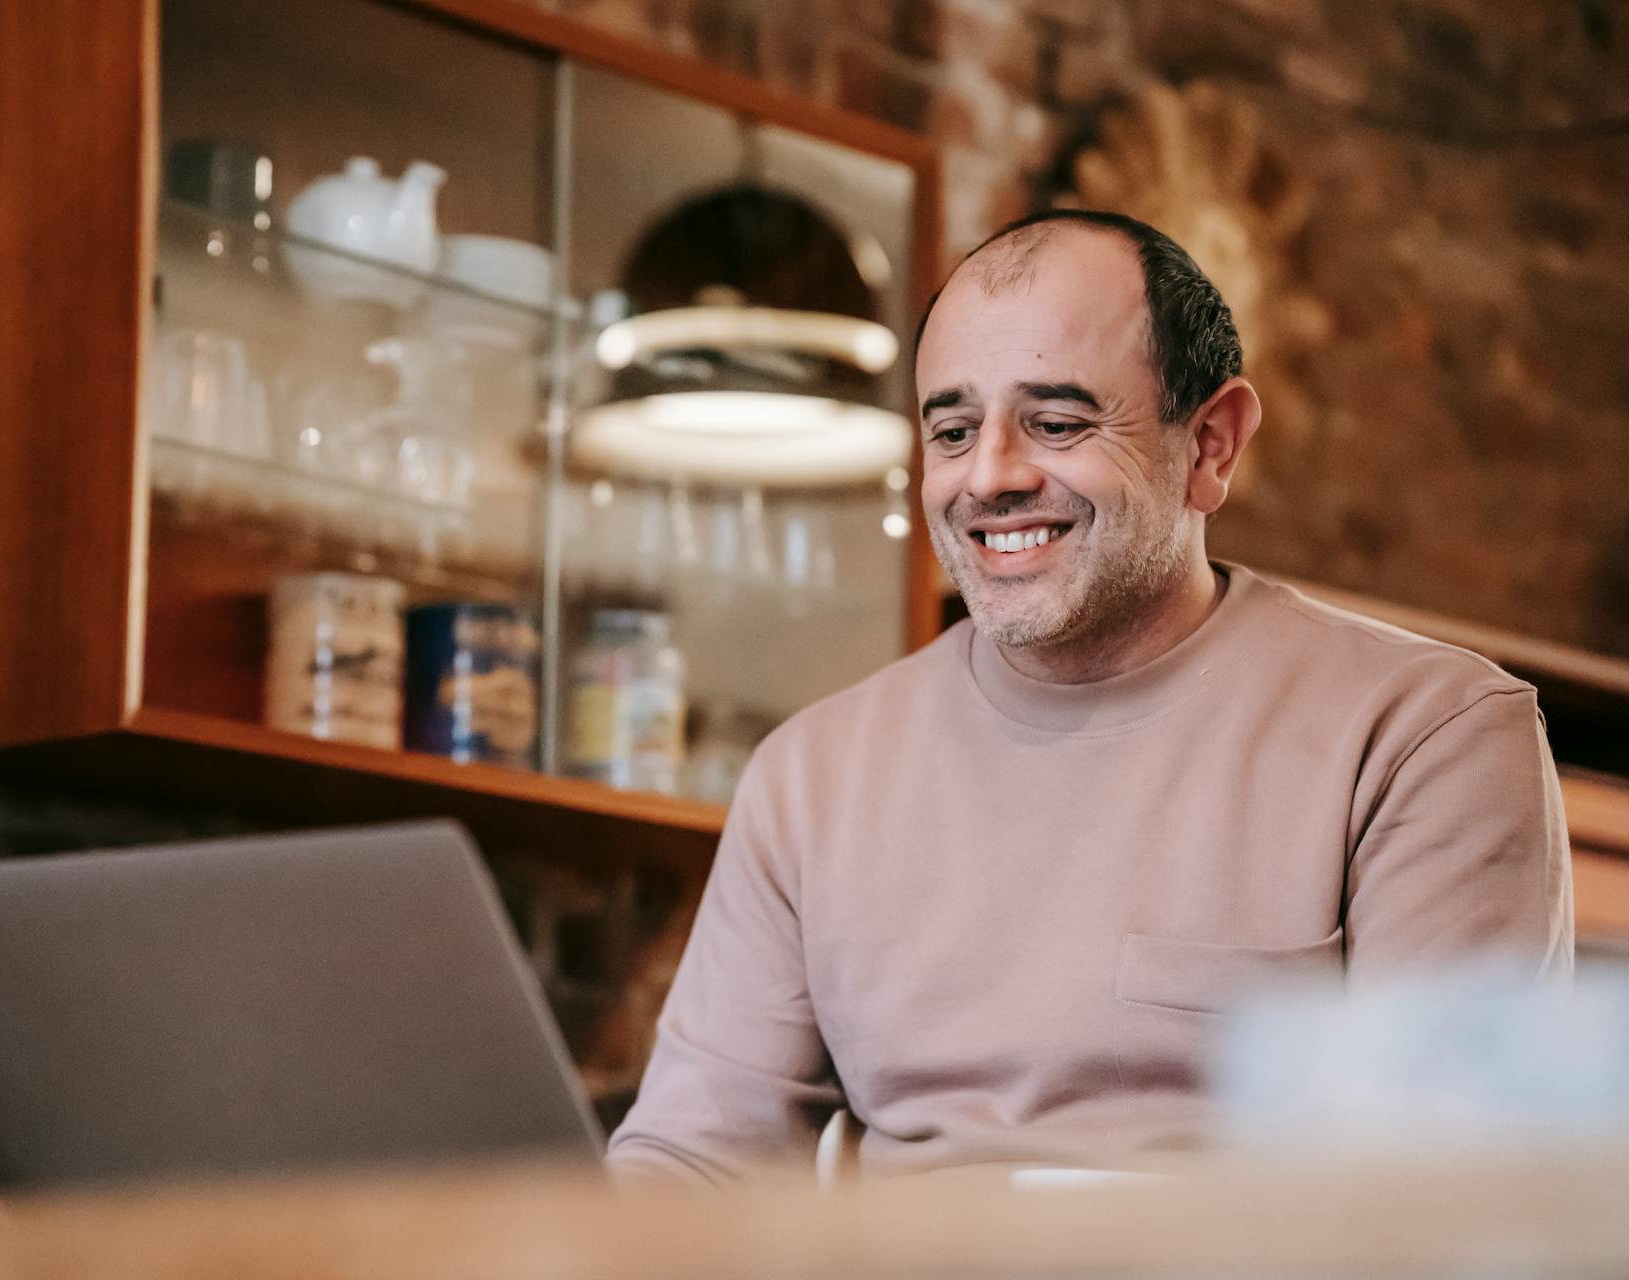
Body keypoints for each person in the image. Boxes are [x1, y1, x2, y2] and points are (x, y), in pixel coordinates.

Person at [604, 210, 1574, 1183]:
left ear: (1211, 445)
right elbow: (695, 1159)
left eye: (1058, 423)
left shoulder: (1426, 734)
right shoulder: (811, 775)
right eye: (952, 429)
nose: (989, 476)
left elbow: (1451, 1194)